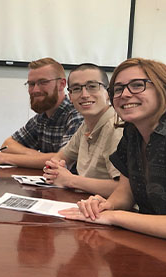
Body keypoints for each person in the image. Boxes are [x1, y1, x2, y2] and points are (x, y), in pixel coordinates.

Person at [60, 58, 166, 255]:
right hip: (160, 247)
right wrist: (105, 206)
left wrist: (114, 216)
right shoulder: (132, 133)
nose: (124, 94)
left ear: (164, 90)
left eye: (137, 85)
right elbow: (125, 193)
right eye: (118, 88)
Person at [0, 57, 83, 169]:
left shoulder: (77, 115)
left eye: (43, 82)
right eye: (31, 84)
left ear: (62, 84)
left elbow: (62, 161)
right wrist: (42, 157)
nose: (35, 90)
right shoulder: (42, 117)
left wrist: (3, 158)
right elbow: (8, 145)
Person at [42, 63, 122, 196]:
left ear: (108, 93)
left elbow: (123, 190)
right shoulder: (86, 125)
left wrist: (70, 180)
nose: (84, 95)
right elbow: (60, 157)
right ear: (71, 96)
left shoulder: (116, 127)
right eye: (77, 88)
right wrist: (54, 168)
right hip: (87, 204)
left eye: (92, 87)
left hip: (112, 210)